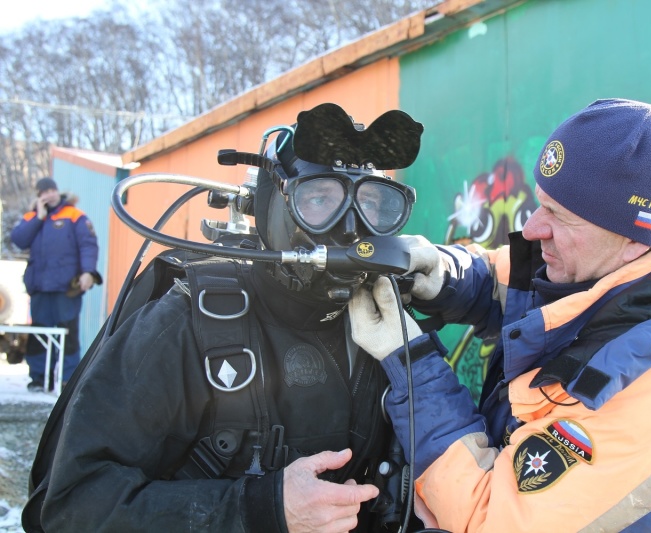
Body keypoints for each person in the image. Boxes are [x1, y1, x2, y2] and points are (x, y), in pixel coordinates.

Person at [349, 99, 651, 531]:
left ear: (634, 239)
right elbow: (513, 284)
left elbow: (489, 518)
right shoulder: (611, 267)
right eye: (541, 202)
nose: (532, 228)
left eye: (559, 215)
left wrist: (413, 366)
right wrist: (442, 273)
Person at [34, 105, 422, 532]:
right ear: (272, 206)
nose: (351, 227)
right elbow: (73, 506)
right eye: (318, 199)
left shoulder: (391, 329)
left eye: (373, 204)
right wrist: (260, 509)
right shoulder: (185, 325)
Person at [10, 177, 100, 392]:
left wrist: (88, 272)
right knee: (39, 335)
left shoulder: (74, 215)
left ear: (57, 191)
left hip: (66, 287)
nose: (48, 194)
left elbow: (88, 245)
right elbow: (19, 240)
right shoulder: (32, 217)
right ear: (39, 196)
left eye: (51, 190)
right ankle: (39, 378)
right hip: (40, 287)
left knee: (68, 335)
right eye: (43, 192)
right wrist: (38, 218)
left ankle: (68, 379)